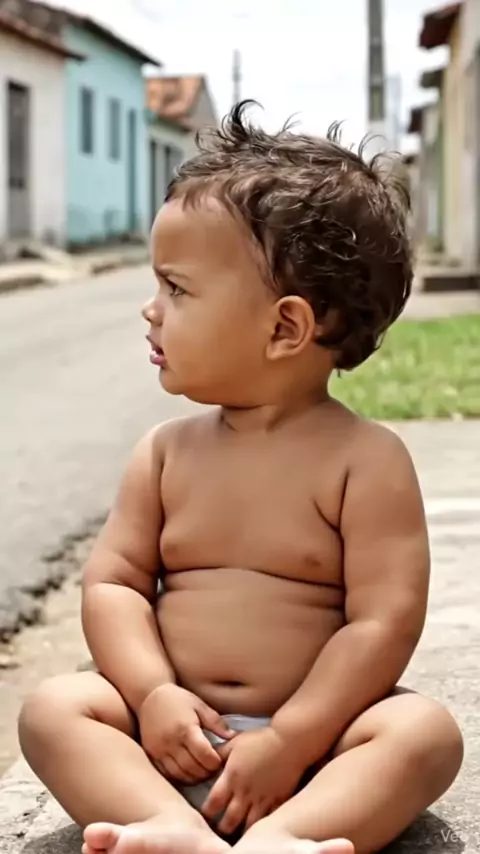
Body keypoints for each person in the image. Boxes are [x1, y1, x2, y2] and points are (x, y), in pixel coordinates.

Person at [18, 102, 463, 854]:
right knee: (55, 709)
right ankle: (166, 824)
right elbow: (115, 585)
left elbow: (382, 622)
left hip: (313, 749)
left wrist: (294, 737)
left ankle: (285, 836)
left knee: (424, 734)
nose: (150, 310)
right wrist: (152, 693)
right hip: (169, 738)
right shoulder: (164, 454)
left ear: (285, 328)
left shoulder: (365, 461)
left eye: (177, 289)